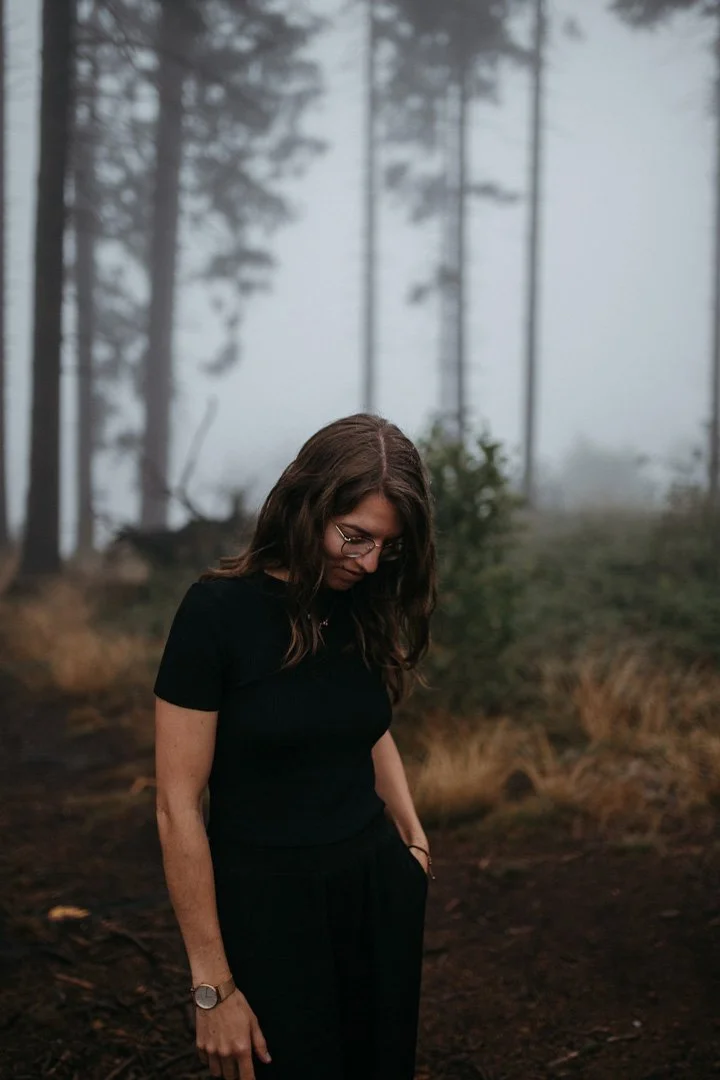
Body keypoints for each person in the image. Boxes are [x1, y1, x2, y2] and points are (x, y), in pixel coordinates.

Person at [153, 413, 438, 1080]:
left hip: (376, 894)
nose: (367, 562)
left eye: (385, 549)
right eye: (356, 537)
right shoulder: (215, 614)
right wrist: (212, 988)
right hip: (267, 910)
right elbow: (177, 802)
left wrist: (413, 843)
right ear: (308, 502)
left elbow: (365, 729)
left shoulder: (359, 606)